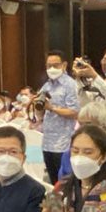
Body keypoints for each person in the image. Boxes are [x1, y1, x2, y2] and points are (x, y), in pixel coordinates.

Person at [37, 50, 81, 183]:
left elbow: (74, 112)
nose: (51, 69)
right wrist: (37, 106)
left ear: (64, 65)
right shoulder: (46, 85)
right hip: (47, 143)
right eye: (48, 66)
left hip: (63, 143)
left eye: (55, 65)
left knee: (65, 182)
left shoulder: (70, 84)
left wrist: (52, 108)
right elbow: (40, 115)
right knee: (53, 181)